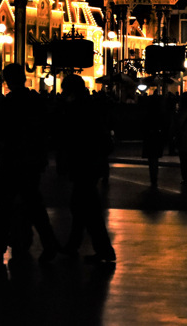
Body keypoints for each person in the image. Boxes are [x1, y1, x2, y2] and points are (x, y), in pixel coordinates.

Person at [0, 63, 60, 264]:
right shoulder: (35, 100)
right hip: (30, 159)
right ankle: (49, 243)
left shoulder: (8, 102)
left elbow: (0, 130)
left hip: (12, 159)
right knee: (35, 205)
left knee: (5, 206)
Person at [58, 74, 116, 263]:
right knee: (83, 205)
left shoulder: (76, 108)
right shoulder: (90, 105)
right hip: (91, 162)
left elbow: (73, 137)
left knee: (86, 207)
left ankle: (102, 249)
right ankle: (80, 244)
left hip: (84, 162)